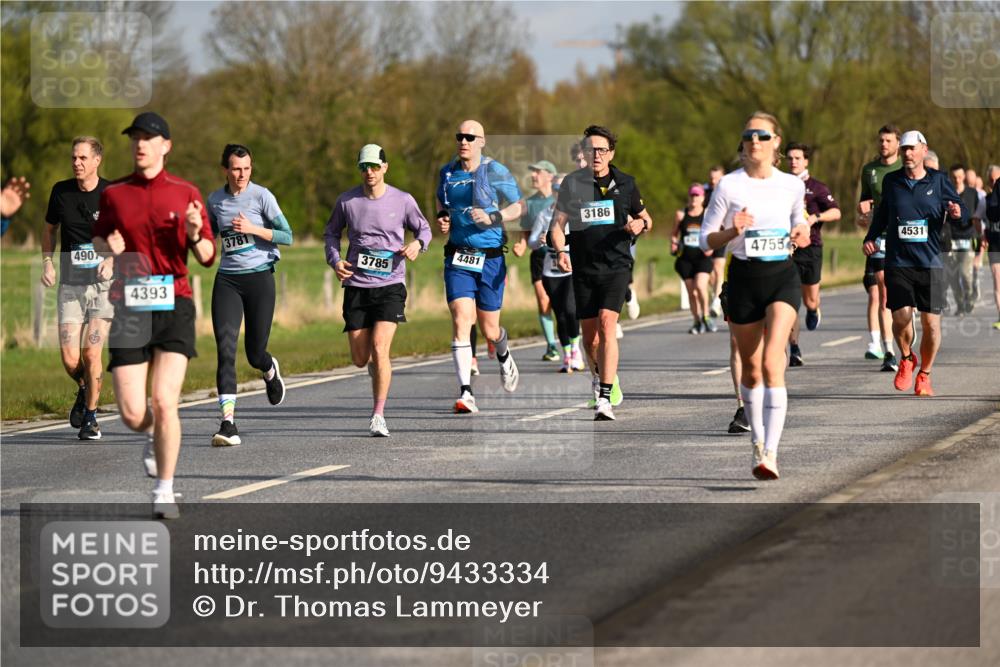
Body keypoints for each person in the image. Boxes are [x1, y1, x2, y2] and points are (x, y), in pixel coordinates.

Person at [92, 111, 215, 519]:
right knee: (131, 413)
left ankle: (165, 489)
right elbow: (98, 241)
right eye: (135, 138)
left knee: (165, 401)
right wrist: (106, 246)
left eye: (149, 138)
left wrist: (196, 233)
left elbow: (208, 256)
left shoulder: (185, 192)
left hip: (174, 302)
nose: (140, 144)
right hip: (128, 304)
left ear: (166, 145)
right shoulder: (115, 194)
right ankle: (152, 435)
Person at [700, 111, 811, 480]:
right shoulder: (729, 187)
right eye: (749, 136)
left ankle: (772, 454)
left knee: (771, 361)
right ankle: (758, 446)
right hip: (745, 278)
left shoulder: (792, 185)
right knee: (750, 367)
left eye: (763, 136)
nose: (755, 142)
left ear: (776, 141)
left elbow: (800, 221)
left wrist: (802, 232)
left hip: (781, 276)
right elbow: (706, 240)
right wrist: (733, 229)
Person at [549, 125, 653, 421]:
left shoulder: (627, 183)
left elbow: (647, 219)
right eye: (591, 150)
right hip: (583, 267)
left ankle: (605, 398)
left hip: (617, 266)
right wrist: (559, 252)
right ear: (584, 153)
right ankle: (602, 378)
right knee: (590, 338)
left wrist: (640, 225)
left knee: (608, 325)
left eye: (602, 150)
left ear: (611, 154)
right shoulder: (572, 183)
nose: (597, 155)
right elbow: (558, 225)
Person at [326, 144, 431, 436]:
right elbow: (331, 233)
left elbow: (424, 229)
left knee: (379, 347)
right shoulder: (347, 201)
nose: (369, 172)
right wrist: (335, 261)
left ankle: (378, 415)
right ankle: (377, 369)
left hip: (390, 285)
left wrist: (416, 245)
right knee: (361, 359)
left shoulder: (403, 200)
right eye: (364, 167)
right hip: (357, 286)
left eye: (374, 166)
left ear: (385, 167)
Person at [863, 131, 967, 398]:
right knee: (901, 317)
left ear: (924, 150)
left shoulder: (939, 181)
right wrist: (871, 236)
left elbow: (960, 210)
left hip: (931, 262)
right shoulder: (892, 181)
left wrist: (956, 212)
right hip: (898, 260)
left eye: (912, 149)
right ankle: (907, 357)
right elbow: (882, 214)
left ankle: (925, 374)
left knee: (931, 325)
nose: (908, 154)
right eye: (905, 149)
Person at [206, 144, 292, 447]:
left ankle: (268, 368)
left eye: (246, 168)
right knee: (225, 349)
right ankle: (228, 423)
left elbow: (287, 235)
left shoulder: (262, 196)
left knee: (254, 353)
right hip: (227, 280)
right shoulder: (215, 201)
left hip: (259, 279)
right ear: (225, 170)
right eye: (236, 169)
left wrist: (254, 228)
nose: (241, 174)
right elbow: (205, 237)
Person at [435, 120, 523, 414]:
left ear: (482, 141)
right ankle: (465, 392)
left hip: (490, 257)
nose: (464, 141)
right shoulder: (447, 172)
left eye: (470, 137)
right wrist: (443, 218)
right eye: (460, 136)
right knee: (462, 318)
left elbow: (519, 205)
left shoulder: (496, 171)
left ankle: (503, 352)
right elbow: (441, 201)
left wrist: (494, 217)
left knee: (490, 329)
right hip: (458, 257)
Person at [41, 137, 113, 439]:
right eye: (74, 158)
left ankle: (91, 420)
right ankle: (85, 389)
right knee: (71, 359)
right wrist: (48, 261)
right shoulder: (61, 192)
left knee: (91, 354)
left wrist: (111, 260)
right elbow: (49, 229)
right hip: (71, 285)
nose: (77, 163)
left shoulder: (111, 194)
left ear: (97, 160)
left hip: (103, 286)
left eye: (83, 158)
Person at [785, 142, 841, 366]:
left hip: (812, 248)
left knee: (809, 299)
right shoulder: (780, 185)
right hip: (788, 250)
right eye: (790, 158)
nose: (793, 162)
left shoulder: (817, 187)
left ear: (806, 161)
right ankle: (795, 348)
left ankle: (813, 308)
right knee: (790, 301)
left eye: (798, 158)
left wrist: (816, 218)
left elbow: (836, 212)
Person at [527, 173, 585, 373]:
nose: (560, 194)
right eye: (557, 191)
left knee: (571, 310)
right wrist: (541, 240)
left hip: (570, 269)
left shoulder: (576, 213)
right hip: (550, 272)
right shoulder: (544, 214)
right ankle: (567, 355)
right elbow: (531, 243)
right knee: (560, 314)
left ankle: (577, 350)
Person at [857, 124, 902, 371]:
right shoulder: (869, 170)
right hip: (880, 238)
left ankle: (904, 334)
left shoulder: (904, 168)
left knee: (902, 297)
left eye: (888, 141)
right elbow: (864, 203)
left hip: (905, 239)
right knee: (883, 293)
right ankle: (888, 351)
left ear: (897, 143)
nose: (883, 145)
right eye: (881, 141)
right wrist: (862, 211)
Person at [512, 160, 560, 361]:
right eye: (532, 172)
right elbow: (525, 231)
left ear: (550, 176)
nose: (533, 176)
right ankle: (551, 346)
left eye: (537, 172)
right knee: (543, 301)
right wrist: (522, 245)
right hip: (539, 257)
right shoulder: (529, 204)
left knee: (563, 302)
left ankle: (569, 339)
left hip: (560, 256)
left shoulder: (561, 200)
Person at [670, 183, 716, 334]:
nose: (694, 198)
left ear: (703, 197)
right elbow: (674, 234)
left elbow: (714, 233)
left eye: (697, 195)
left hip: (703, 258)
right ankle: (697, 320)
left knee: (701, 286)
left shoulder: (708, 214)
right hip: (686, 259)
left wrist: (711, 246)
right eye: (692, 195)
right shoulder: (681, 214)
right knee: (691, 292)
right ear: (689, 197)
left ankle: (706, 316)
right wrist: (674, 244)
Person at [945, 164, 981, 316]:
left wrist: (979, 240)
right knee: (953, 276)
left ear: (964, 177)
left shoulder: (973, 193)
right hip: (951, 239)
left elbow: (978, 216)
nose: (957, 180)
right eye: (954, 177)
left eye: (959, 176)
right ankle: (960, 304)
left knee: (965, 274)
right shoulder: (947, 193)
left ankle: (969, 297)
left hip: (967, 237)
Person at [704, 165, 726, 316]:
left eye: (716, 178)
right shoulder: (704, 192)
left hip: (722, 234)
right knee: (709, 272)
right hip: (706, 235)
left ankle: (717, 301)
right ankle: (715, 292)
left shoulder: (726, 191)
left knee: (718, 267)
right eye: (711, 178)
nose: (713, 181)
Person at [983, 166, 1000, 329]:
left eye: (997, 179)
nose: (994, 183)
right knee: (997, 279)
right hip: (995, 243)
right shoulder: (986, 199)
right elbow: (981, 218)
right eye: (991, 180)